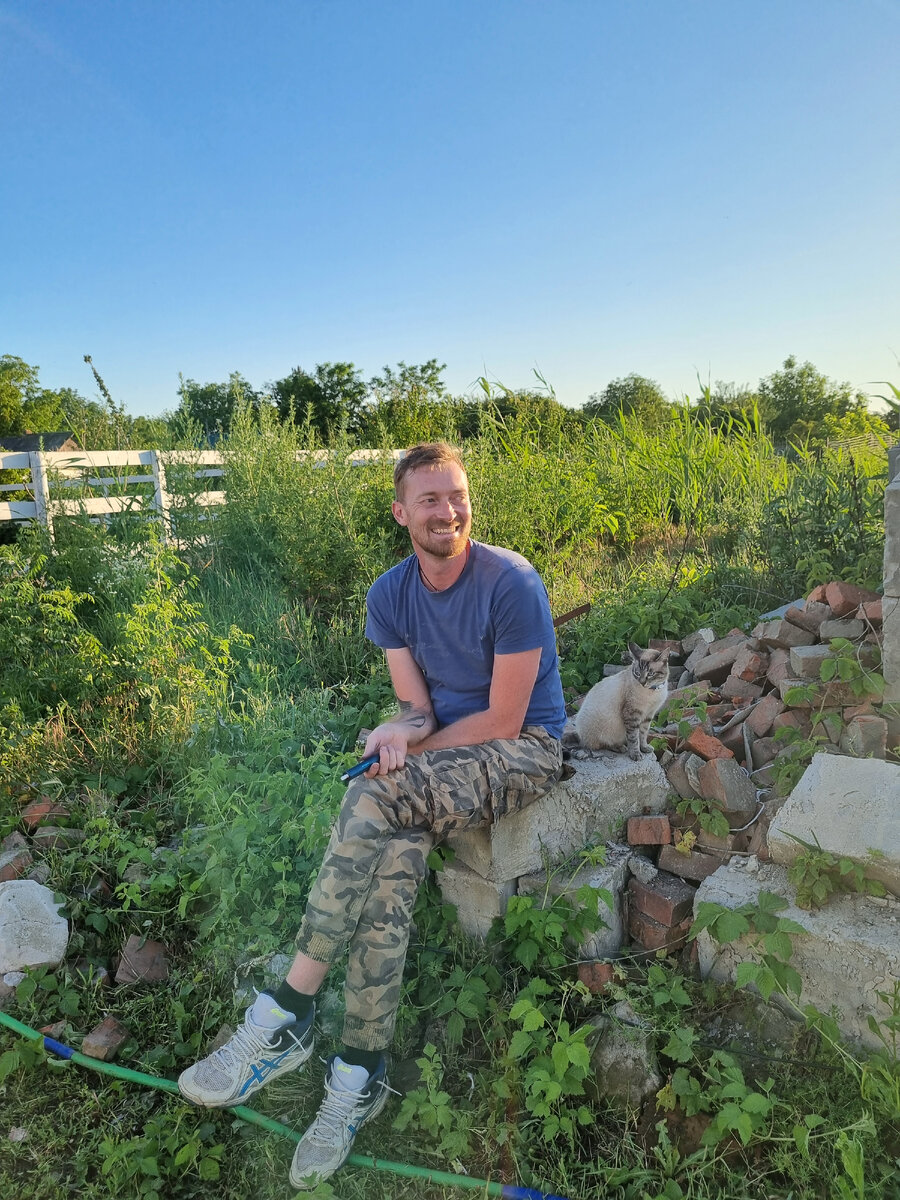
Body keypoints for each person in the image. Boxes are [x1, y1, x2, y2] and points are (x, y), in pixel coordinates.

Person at [178, 441, 567, 1189]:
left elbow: (506, 718)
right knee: (392, 858)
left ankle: (285, 1010)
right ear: (400, 513)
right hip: (449, 758)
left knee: (376, 794)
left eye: (457, 496)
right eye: (430, 500)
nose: (448, 512)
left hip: (527, 750)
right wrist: (398, 732)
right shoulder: (389, 595)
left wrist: (407, 759)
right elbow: (418, 708)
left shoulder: (511, 581)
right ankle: (358, 1071)